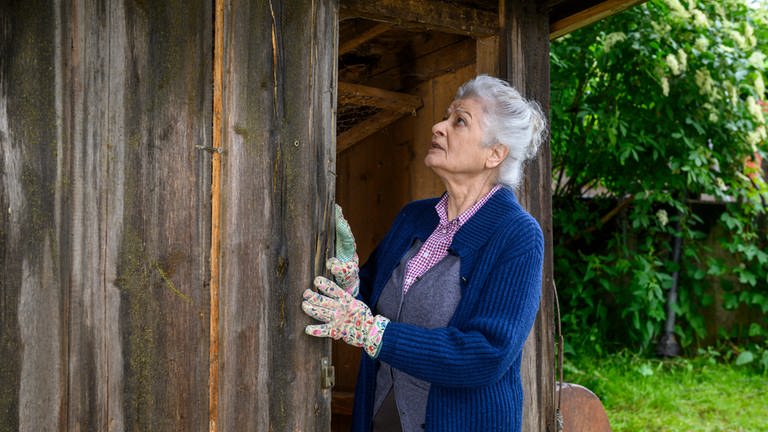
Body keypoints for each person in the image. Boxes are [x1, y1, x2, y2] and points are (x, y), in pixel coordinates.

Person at [301, 75, 546, 432]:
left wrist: (375, 333)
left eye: (459, 121)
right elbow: (369, 300)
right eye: (446, 116)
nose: (438, 126)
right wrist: (351, 283)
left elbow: (486, 354)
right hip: (381, 416)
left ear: (495, 153)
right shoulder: (414, 216)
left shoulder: (517, 235)